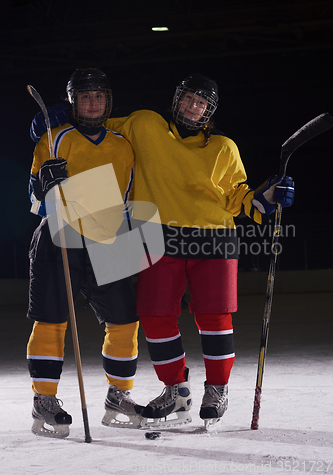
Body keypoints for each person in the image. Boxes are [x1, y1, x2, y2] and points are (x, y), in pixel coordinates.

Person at [31, 73, 295, 429]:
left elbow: (239, 198)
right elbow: (91, 130)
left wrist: (265, 200)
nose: (192, 106)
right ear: (176, 98)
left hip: (200, 239)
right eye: (188, 98)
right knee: (147, 316)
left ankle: (204, 390)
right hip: (140, 237)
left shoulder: (218, 148)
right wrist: (55, 124)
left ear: (209, 111)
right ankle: (171, 390)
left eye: (201, 103)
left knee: (182, 319)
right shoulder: (142, 125)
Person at [27, 68, 144, 438]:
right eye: (84, 96)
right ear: (72, 102)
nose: (92, 103)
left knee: (126, 321)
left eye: (98, 96)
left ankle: (119, 396)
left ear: (108, 101)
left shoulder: (124, 145)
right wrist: (47, 190)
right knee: (52, 319)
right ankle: (44, 400)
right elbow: (33, 201)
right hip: (60, 237)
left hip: (110, 237)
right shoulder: (54, 139)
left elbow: (126, 200)